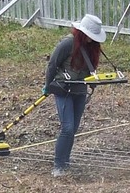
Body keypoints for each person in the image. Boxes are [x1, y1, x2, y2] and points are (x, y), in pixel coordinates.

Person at [42, 14, 106, 177]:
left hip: (79, 91)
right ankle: (58, 166)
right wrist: (48, 85)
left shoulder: (92, 48)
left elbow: (89, 70)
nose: (92, 39)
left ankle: (66, 161)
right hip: (63, 89)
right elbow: (52, 65)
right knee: (67, 128)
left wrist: (93, 82)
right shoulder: (68, 43)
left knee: (74, 129)